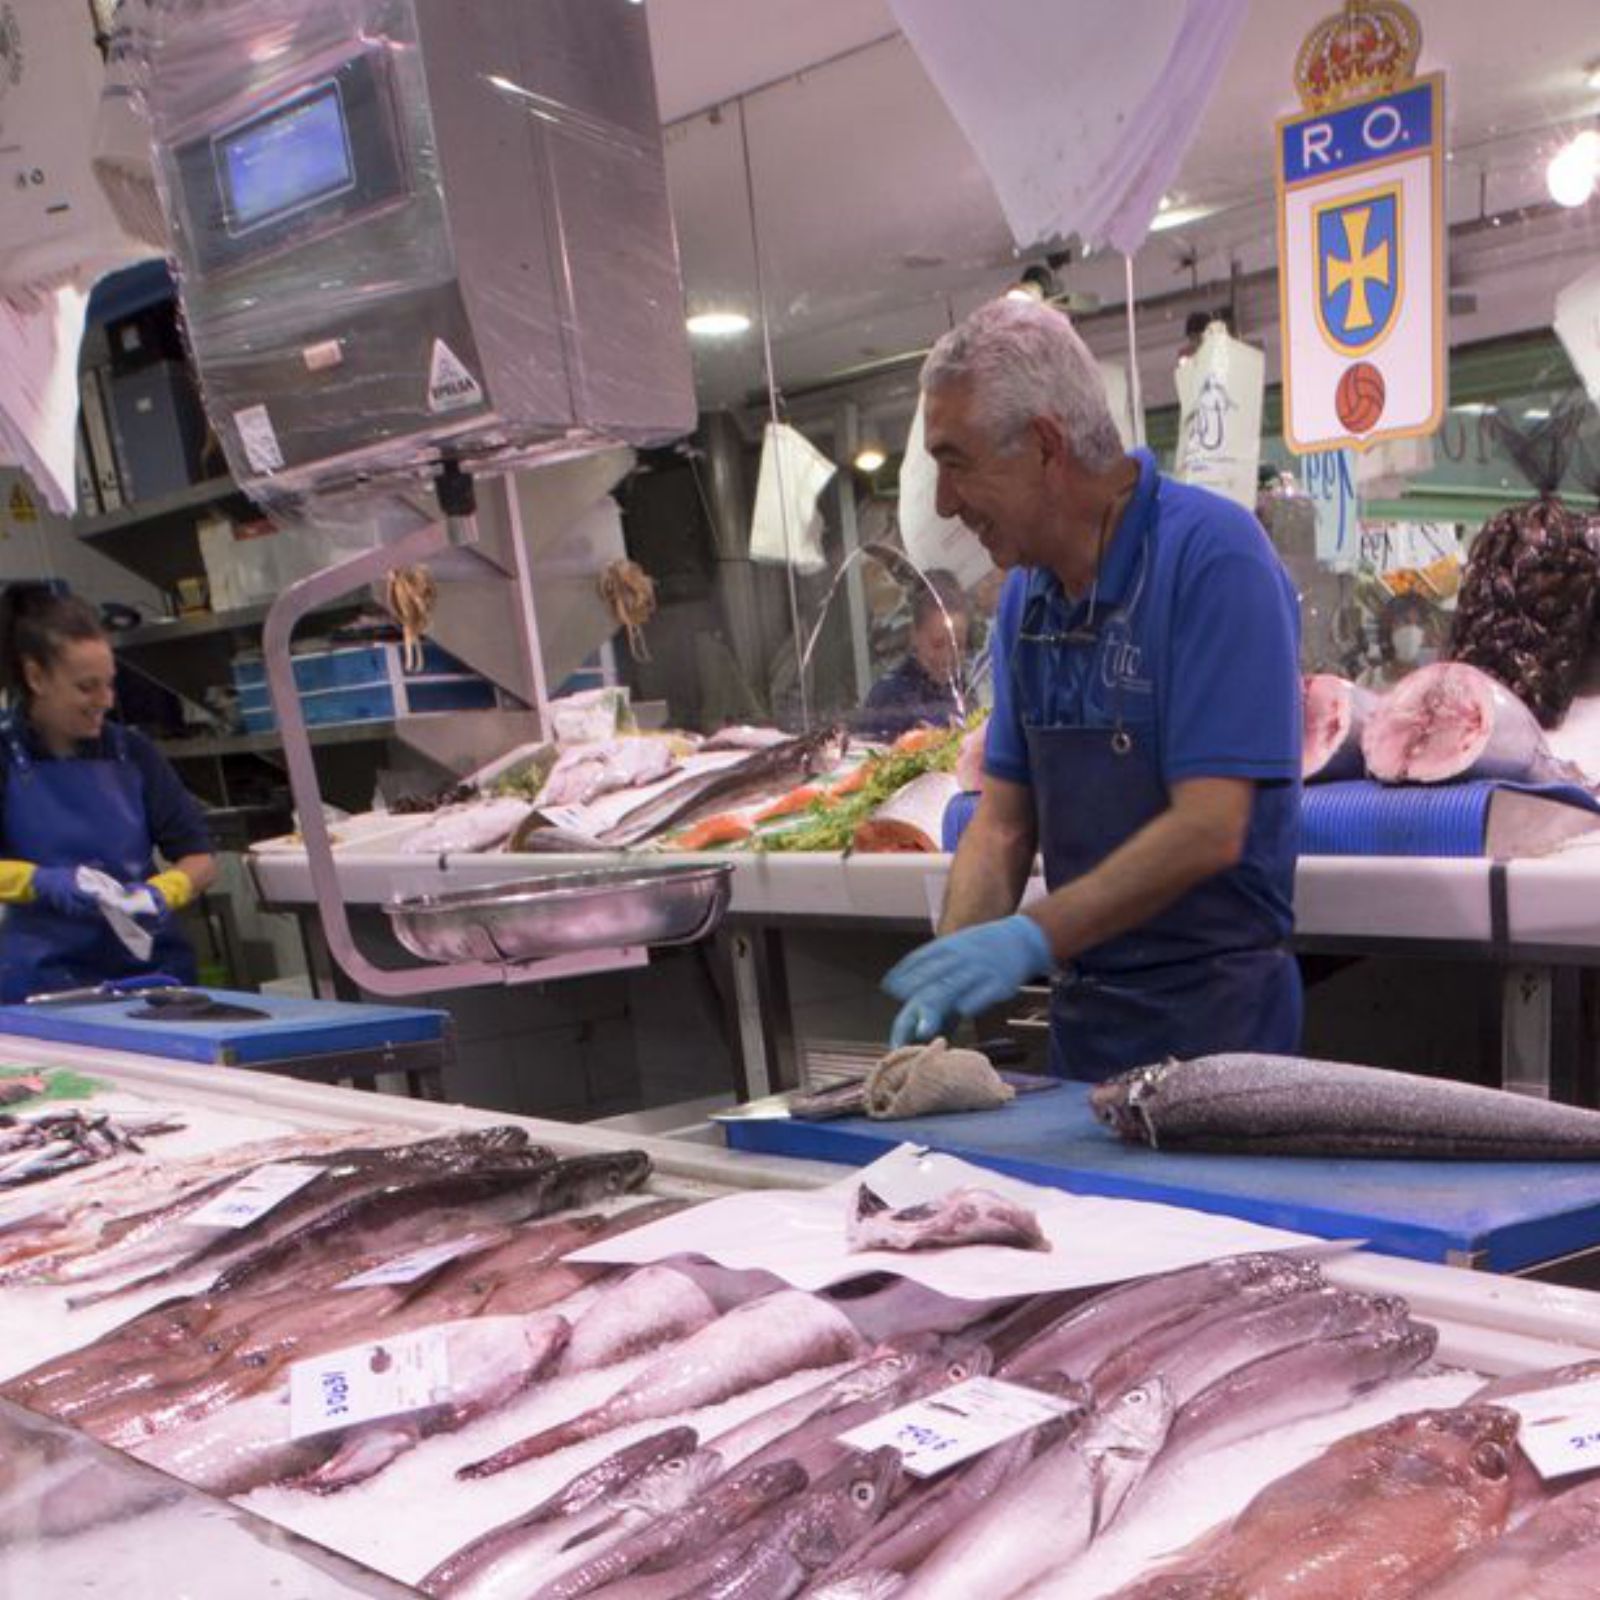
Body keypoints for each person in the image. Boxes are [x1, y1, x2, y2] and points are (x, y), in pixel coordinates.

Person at [882, 298, 1303, 1080]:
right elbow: (1005, 827)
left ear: (1045, 446)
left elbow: (1211, 826)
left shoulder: (1214, 559)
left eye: (957, 461)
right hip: (1086, 1031)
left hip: (1220, 1035)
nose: (944, 502)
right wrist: (945, 979)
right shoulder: (1025, 601)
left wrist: (1031, 937)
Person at [0, 585, 216, 1002]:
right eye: (86, 687)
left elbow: (201, 859)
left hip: (153, 977)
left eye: (109, 684)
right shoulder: (4, 758)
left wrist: (162, 891)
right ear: (36, 677)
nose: (105, 700)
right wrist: (40, 882)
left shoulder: (133, 753)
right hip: (43, 985)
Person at [858, 569, 970, 741]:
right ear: (914, 636)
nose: (948, 657)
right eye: (938, 644)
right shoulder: (889, 696)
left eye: (958, 646)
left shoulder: (964, 687)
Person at [1357, 591, 1444, 689]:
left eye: (1419, 624)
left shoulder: (1429, 685)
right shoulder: (1367, 681)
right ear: (1388, 626)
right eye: (1405, 621)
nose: (1412, 630)